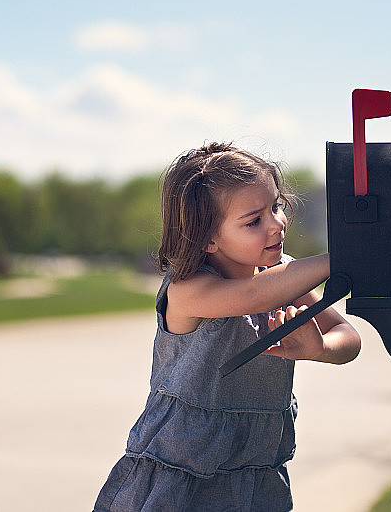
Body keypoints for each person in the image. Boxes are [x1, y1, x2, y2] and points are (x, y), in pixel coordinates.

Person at [94, 142, 361, 511]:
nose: (276, 224)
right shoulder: (188, 290)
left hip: (256, 474)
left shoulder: (282, 276)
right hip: (181, 479)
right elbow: (254, 295)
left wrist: (320, 349)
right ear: (207, 237)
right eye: (254, 221)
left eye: (276, 206)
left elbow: (349, 338)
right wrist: (350, 257)